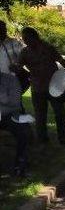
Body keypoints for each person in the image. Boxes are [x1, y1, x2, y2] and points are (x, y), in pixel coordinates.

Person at [14, 27, 65, 145]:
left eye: (27, 38)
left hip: (54, 87)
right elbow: (19, 67)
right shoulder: (25, 52)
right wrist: (15, 68)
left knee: (60, 113)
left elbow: (61, 60)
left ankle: (63, 139)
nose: (25, 41)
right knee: (40, 115)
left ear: (35, 37)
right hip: (37, 88)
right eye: (23, 38)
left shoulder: (48, 47)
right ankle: (42, 140)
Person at [0, 20, 29, 177]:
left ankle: (21, 164)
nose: (3, 32)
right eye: (1, 29)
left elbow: (25, 59)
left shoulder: (13, 44)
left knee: (22, 130)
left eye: (4, 29)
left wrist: (18, 67)